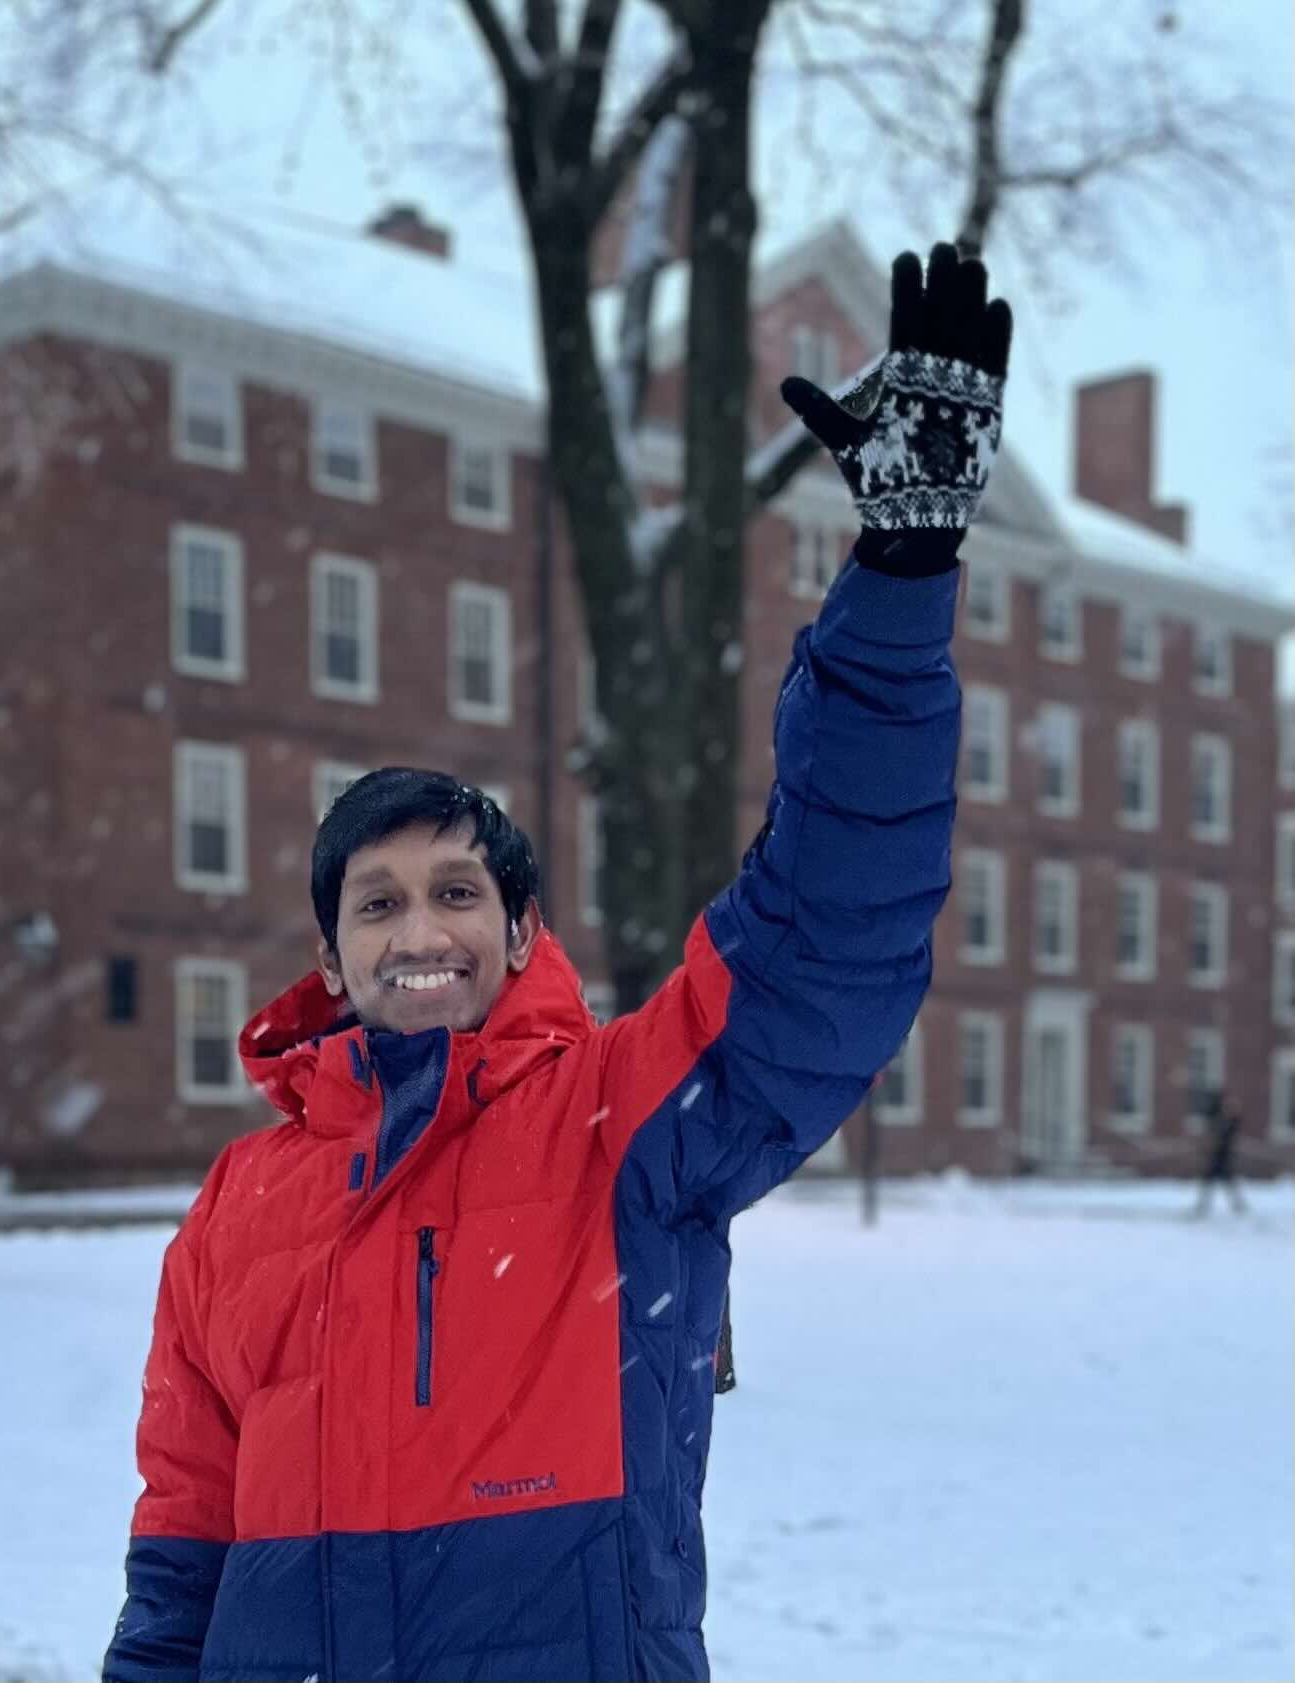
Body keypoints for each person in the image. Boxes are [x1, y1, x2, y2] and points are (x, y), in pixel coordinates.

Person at [103, 242, 1013, 1683]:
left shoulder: (618, 1125)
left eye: (456, 892)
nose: (418, 932)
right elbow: (184, 1528)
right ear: (332, 953)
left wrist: (900, 583)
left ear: (520, 930)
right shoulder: (237, 1203)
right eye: (377, 904)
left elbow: (820, 941)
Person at [1193, 1089, 1247, 1216]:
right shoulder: (1218, 1119)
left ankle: (1237, 1205)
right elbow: (1210, 1120)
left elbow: (1230, 1133)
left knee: (1227, 1181)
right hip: (1216, 1157)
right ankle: (1204, 1205)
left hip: (1223, 1158)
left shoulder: (1231, 1123)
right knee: (1211, 1181)